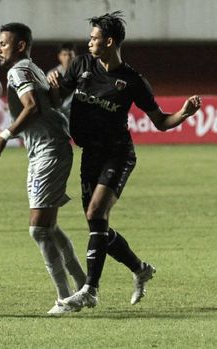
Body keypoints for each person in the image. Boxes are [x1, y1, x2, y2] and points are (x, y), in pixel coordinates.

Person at [47, 11, 202, 312]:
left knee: (96, 212)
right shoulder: (80, 65)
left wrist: (183, 113)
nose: (88, 42)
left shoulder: (132, 81)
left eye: (93, 38)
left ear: (109, 41)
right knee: (97, 225)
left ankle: (89, 290)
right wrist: (54, 84)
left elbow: (160, 121)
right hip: (89, 154)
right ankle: (140, 269)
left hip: (117, 154)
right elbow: (56, 98)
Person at [0, 23, 86, 315]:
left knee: (39, 230)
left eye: (4, 43)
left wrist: (5, 135)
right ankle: (83, 285)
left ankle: (65, 298)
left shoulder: (18, 71)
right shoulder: (33, 68)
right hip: (42, 150)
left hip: (49, 150)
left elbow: (32, 107)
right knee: (48, 227)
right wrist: (54, 94)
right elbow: (49, 104)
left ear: (20, 46)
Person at [47, 43, 77, 118]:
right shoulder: (52, 74)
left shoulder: (81, 73)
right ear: (59, 56)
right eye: (64, 55)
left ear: (75, 56)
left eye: (70, 55)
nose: (67, 58)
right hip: (58, 114)